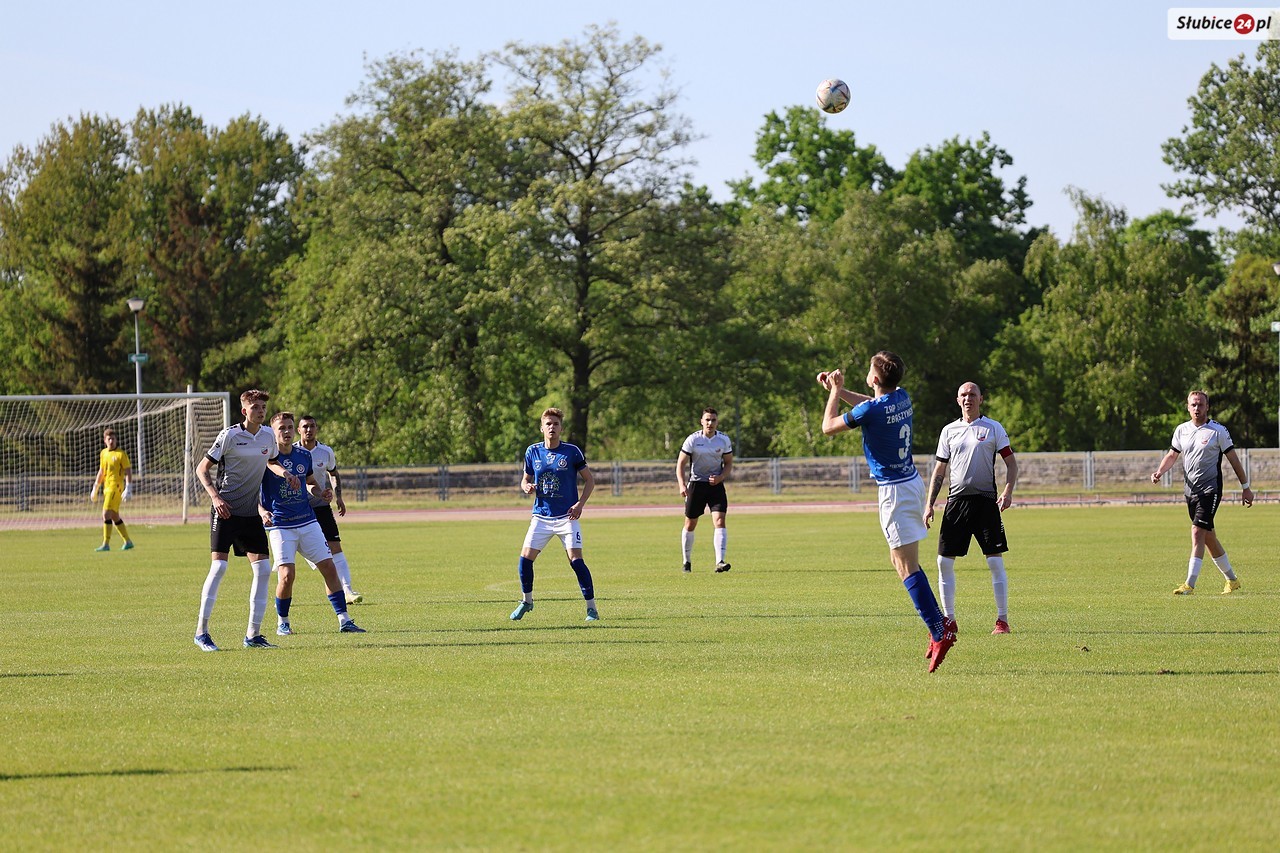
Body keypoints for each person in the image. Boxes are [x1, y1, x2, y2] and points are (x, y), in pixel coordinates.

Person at [818, 351, 955, 673]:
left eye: (869, 370)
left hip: (895, 491)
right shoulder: (901, 397)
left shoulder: (872, 409)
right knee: (901, 562)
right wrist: (839, 390)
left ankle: (940, 629)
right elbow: (871, 403)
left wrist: (835, 392)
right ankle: (938, 623)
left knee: (905, 565)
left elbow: (827, 427)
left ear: (875, 378)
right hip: (910, 483)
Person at [192, 389, 302, 652]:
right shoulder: (229, 435)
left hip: (251, 514)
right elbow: (202, 468)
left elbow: (272, 461)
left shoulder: (267, 435)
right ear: (244, 411)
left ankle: (253, 635)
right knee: (219, 568)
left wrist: (286, 473)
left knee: (263, 570)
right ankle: (201, 633)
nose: (261, 411)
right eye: (255, 407)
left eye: (263, 407)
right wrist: (215, 498)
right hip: (225, 512)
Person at [261, 412, 366, 637]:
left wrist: (320, 492)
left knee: (329, 567)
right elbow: (259, 480)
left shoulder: (303, 455)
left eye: (289, 427)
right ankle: (283, 622)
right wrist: (261, 511)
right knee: (287, 575)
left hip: (307, 520)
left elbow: (309, 482)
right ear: (273, 432)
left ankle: (345, 620)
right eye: (282, 428)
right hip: (280, 524)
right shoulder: (265, 456)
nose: (286, 432)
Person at [924, 382, 1017, 636]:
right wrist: (929, 504)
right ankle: (949, 620)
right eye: (963, 395)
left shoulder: (993, 428)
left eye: (972, 394)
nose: (968, 398)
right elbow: (939, 470)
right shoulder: (948, 431)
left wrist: (1007, 492)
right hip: (956, 503)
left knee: (995, 562)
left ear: (981, 399)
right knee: (943, 562)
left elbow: (1011, 464)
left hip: (986, 503)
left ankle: (1002, 621)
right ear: (958, 400)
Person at [1150, 390, 1253, 595]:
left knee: (1197, 532)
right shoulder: (1181, 430)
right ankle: (1232, 580)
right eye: (1193, 405)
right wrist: (1159, 472)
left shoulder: (1218, 431)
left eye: (1201, 404)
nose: (1197, 408)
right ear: (1188, 407)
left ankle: (1189, 584)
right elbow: (1172, 455)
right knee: (1208, 538)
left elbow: (1234, 460)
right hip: (1190, 491)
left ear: (1207, 407)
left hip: (1210, 490)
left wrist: (1245, 487)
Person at [510, 407, 599, 623]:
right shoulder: (532, 451)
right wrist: (526, 486)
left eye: (556, 424)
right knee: (524, 560)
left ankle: (591, 609)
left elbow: (590, 480)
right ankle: (527, 601)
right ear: (542, 428)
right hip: (541, 516)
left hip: (567, 517)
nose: (552, 427)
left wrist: (580, 504)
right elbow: (525, 479)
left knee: (576, 561)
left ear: (561, 428)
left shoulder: (572, 452)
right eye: (548, 424)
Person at [296, 415, 363, 604]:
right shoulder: (291, 451)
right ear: (298, 430)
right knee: (289, 553)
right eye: (305, 426)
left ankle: (347, 591)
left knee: (335, 547)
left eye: (312, 426)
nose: (309, 430)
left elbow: (333, 473)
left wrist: (338, 496)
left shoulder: (325, 451)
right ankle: (284, 597)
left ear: (317, 429)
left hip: (321, 506)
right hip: (297, 508)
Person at [676, 407, 734, 573]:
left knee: (720, 521)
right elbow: (681, 464)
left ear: (717, 422)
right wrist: (682, 484)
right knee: (690, 523)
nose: (710, 423)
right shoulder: (693, 440)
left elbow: (729, 463)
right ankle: (686, 562)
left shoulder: (723, 440)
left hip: (715, 486)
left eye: (713, 420)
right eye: (707, 420)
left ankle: (720, 562)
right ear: (701, 421)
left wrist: (721, 477)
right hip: (696, 485)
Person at [90, 428, 135, 552]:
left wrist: (129, 488)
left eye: (113, 439)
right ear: (105, 440)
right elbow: (102, 471)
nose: (111, 441)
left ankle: (106, 543)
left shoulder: (121, 454)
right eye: (109, 439)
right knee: (114, 516)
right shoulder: (103, 453)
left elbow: (128, 471)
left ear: (116, 440)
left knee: (106, 514)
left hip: (116, 487)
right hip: (107, 487)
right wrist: (95, 487)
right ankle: (128, 541)